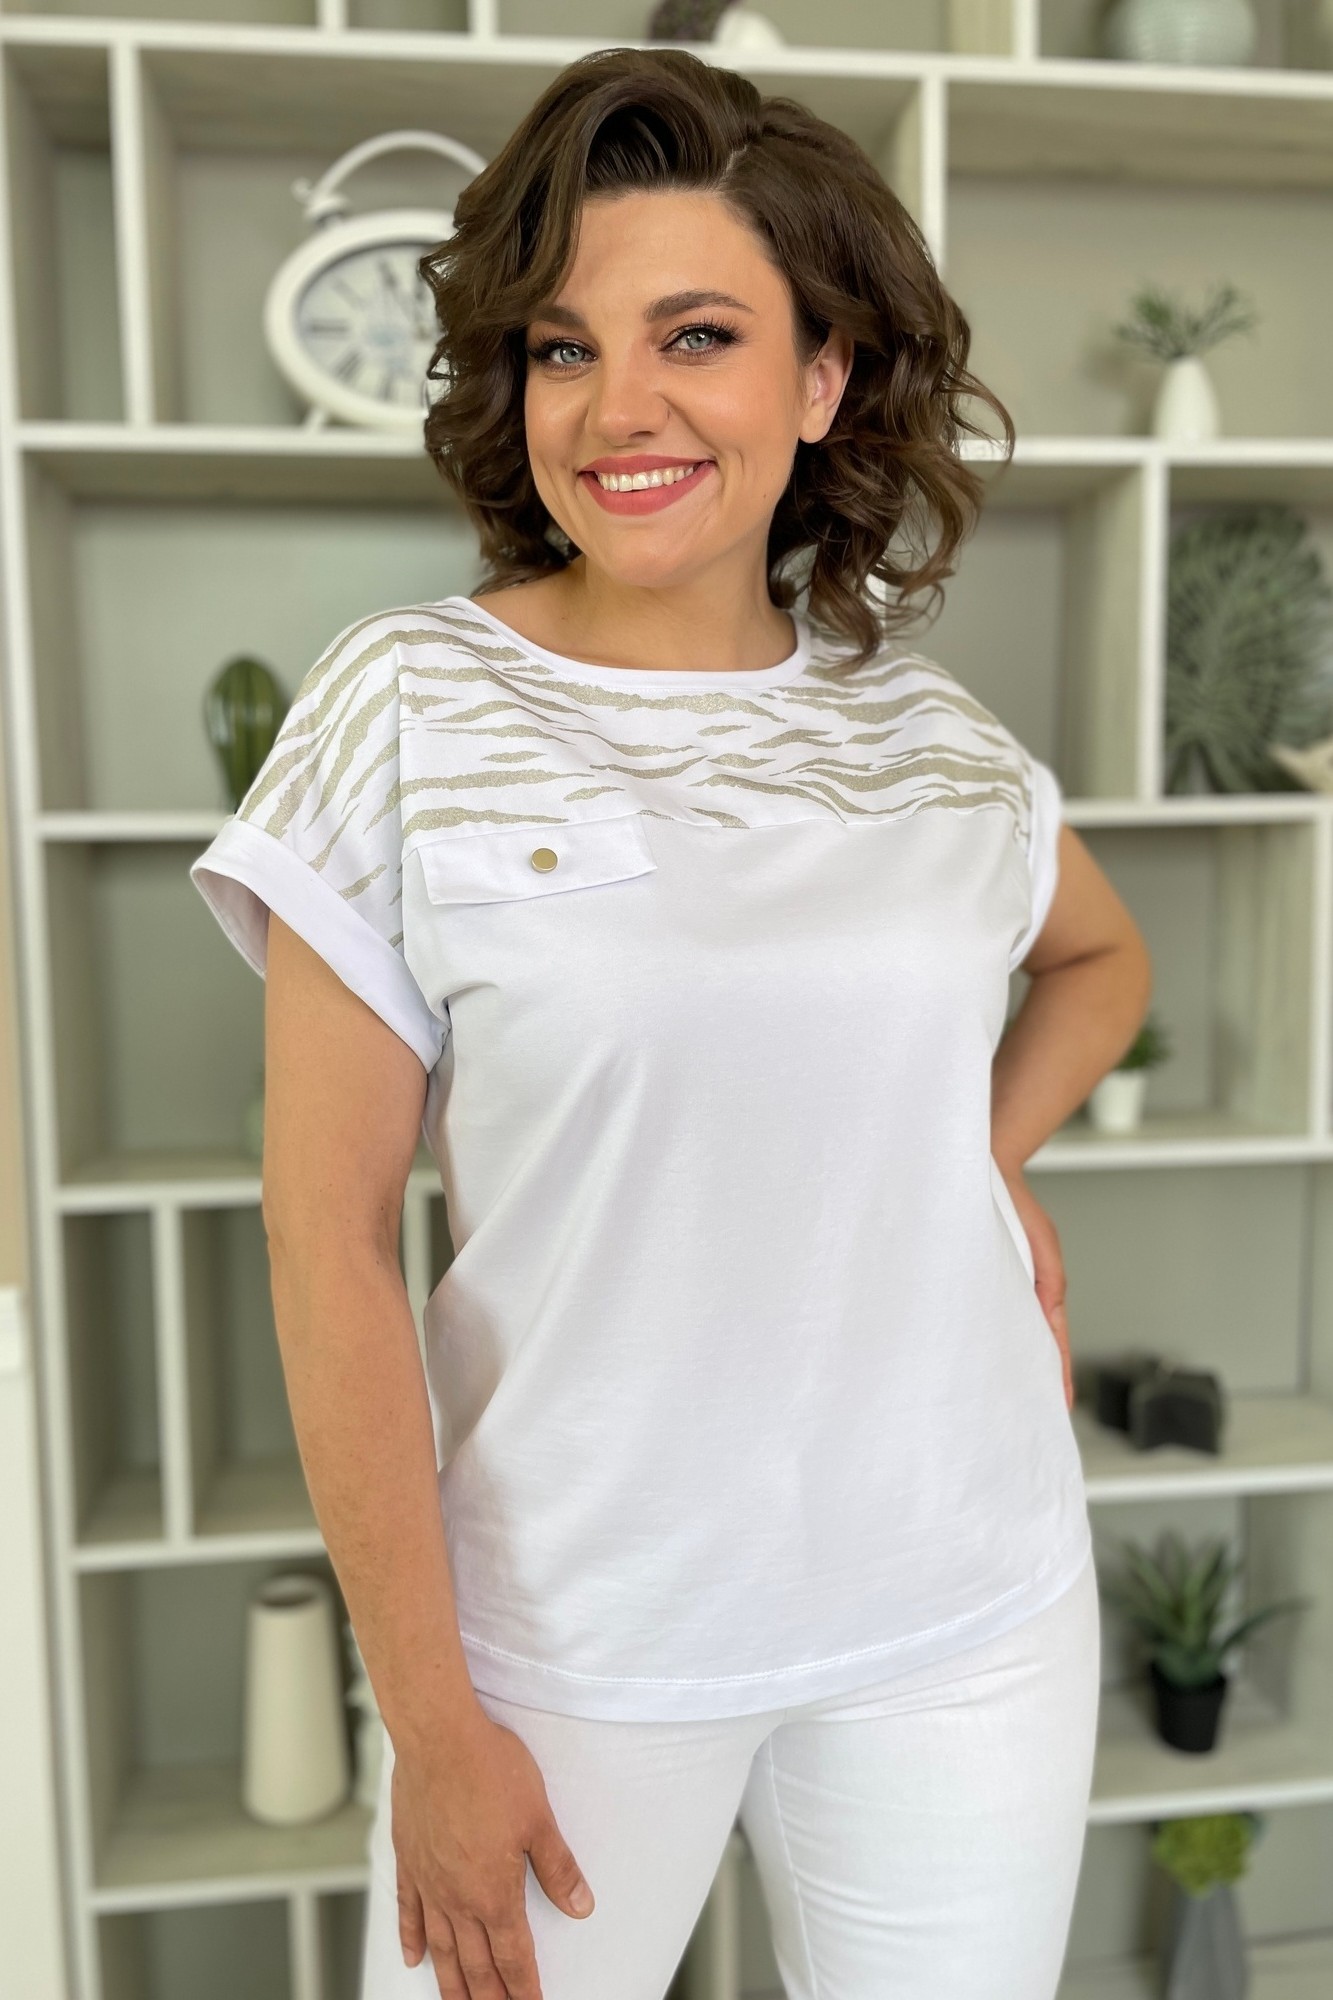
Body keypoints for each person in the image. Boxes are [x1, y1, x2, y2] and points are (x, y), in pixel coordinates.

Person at [190, 44, 1151, 2000]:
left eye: (694, 335)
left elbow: (1099, 962)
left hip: (963, 1604)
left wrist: (969, 1158)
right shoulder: (404, 708)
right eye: (562, 348)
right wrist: (430, 1722)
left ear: (821, 380)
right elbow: (325, 1239)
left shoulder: (924, 736)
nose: (618, 407)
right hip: (565, 1648)